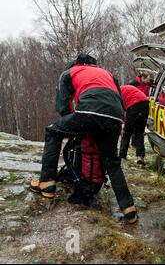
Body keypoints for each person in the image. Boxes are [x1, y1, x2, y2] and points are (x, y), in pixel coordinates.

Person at [29, 53, 138, 224]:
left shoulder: (69, 73)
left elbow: (63, 106)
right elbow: (119, 100)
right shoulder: (107, 74)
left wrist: (75, 128)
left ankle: (46, 183)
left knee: (52, 131)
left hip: (90, 110)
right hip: (116, 117)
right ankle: (128, 209)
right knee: (112, 162)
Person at [119, 85, 150, 165]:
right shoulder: (125, 88)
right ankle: (140, 157)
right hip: (145, 104)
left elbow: (120, 109)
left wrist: (123, 123)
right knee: (139, 132)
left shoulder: (116, 93)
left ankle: (122, 156)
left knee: (127, 132)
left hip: (134, 105)